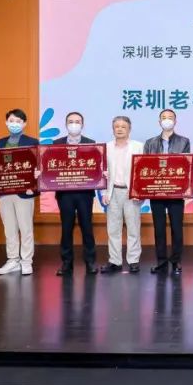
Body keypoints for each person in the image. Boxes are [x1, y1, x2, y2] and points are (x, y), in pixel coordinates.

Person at [0, 109, 39, 276]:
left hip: (25, 192)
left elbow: (37, 167)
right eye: (11, 121)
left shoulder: (33, 142)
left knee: (25, 229)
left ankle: (26, 261)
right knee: (9, 229)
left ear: (24, 124)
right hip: (5, 191)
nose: (14, 124)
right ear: (6, 122)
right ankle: (12, 260)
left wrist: (34, 182)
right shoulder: (0, 143)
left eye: (18, 121)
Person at [143, 109, 191, 274]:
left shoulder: (184, 141)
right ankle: (161, 261)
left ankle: (176, 261)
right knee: (159, 228)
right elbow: (145, 166)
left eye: (170, 118)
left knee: (177, 228)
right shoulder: (150, 143)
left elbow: (185, 165)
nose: (167, 120)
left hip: (176, 191)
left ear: (175, 121)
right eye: (164, 118)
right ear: (159, 122)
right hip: (156, 191)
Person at [53, 111, 97, 276]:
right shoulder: (56, 143)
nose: (74, 124)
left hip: (85, 193)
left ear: (82, 125)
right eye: (71, 121)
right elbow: (51, 167)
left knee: (87, 228)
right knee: (66, 228)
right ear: (66, 124)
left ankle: (90, 262)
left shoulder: (91, 143)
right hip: (65, 194)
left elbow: (94, 167)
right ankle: (66, 263)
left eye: (77, 122)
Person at [100, 115, 144, 274]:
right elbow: (102, 172)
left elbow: (143, 171)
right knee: (113, 229)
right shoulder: (106, 147)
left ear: (129, 129)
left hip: (131, 192)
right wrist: (104, 192)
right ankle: (115, 261)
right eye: (116, 126)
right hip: (113, 192)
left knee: (133, 228)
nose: (119, 129)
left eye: (123, 127)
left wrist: (140, 192)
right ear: (113, 129)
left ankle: (133, 260)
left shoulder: (139, 147)